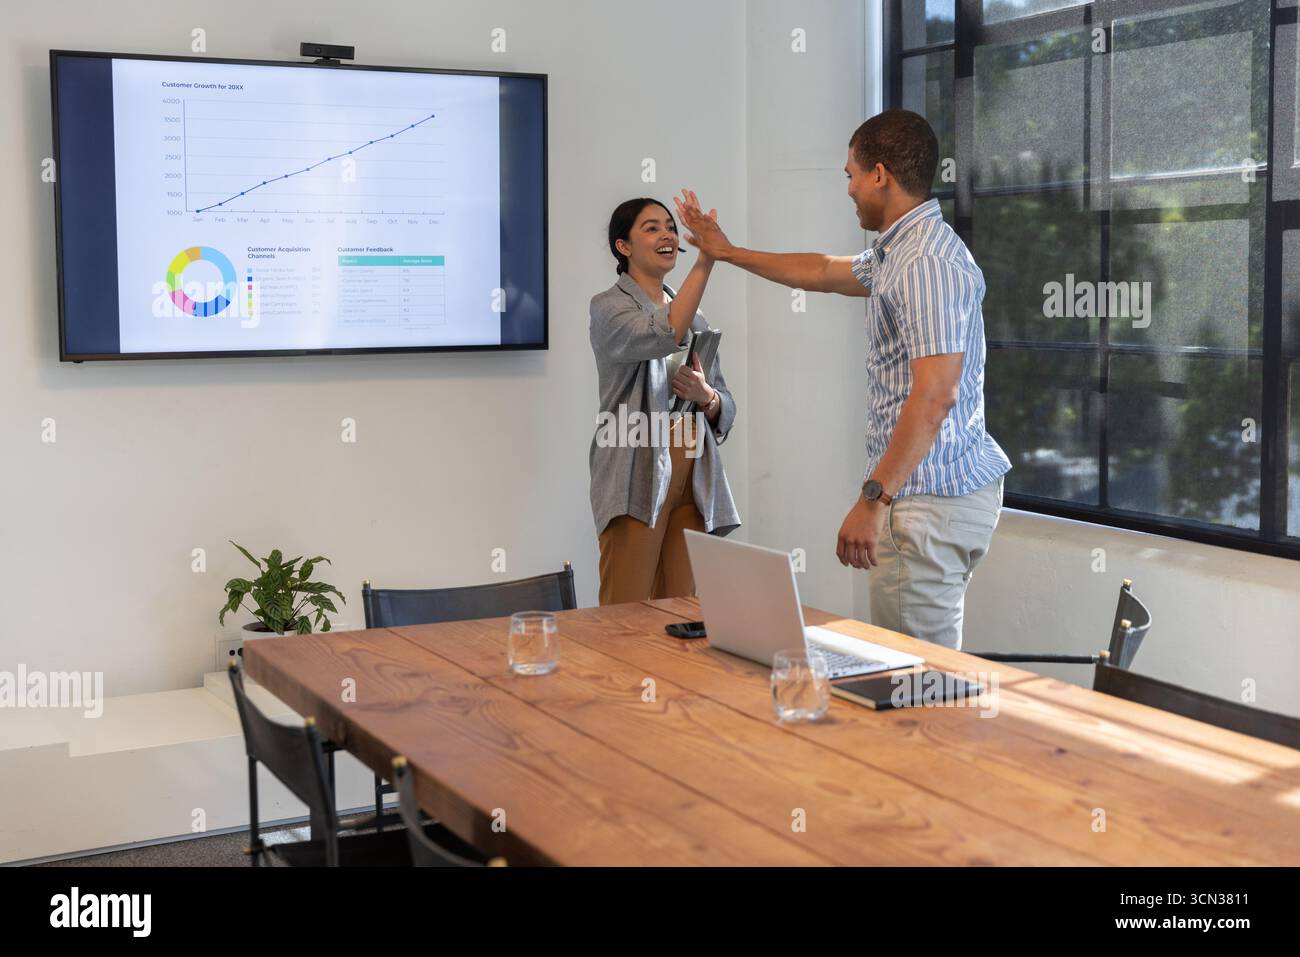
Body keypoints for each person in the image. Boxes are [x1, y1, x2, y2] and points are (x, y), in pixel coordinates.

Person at [674, 110, 1010, 650]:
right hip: (932, 498)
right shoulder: (901, 251)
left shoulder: (924, 260)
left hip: (920, 502)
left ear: (880, 174)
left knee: (912, 688)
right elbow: (823, 271)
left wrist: (874, 499)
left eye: (851, 174)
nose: (849, 189)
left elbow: (936, 393)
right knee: (920, 679)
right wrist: (728, 251)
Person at [588, 196, 740, 605]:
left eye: (670, 227)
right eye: (651, 228)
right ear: (624, 246)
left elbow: (725, 403)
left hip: (694, 467)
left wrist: (706, 397)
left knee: (681, 609)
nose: (667, 235)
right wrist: (708, 259)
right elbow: (664, 332)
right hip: (638, 465)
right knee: (627, 610)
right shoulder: (608, 307)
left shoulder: (696, 315)